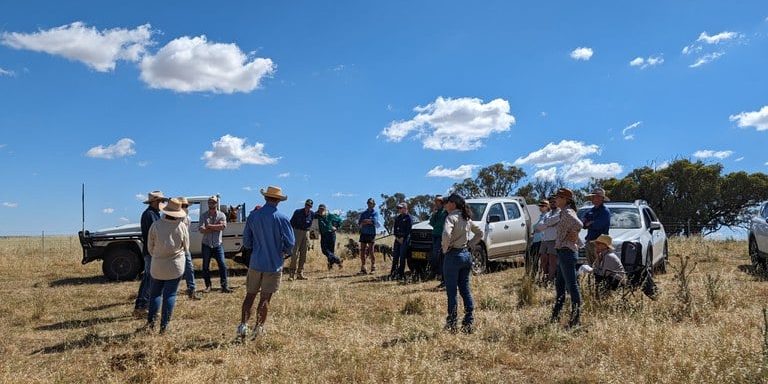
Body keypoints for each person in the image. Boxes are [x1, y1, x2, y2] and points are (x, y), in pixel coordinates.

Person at [238, 186, 295, 339]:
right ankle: (259, 327)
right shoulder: (282, 218)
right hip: (273, 264)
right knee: (265, 298)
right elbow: (290, 242)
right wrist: (283, 253)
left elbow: (247, 242)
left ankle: (243, 326)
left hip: (255, 262)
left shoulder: (253, 216)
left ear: (265, 198)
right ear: (278, 200)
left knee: (249, 296)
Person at [143, 198, 189, 334]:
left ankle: (151, 323)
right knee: (170, 295)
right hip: (175, 266)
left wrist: (158, 255)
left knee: (155, 294)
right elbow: (186, 247)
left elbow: (150, 247)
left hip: (157, 265)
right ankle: (164, 326)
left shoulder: (156, 225)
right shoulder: (181, 227)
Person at [441, 193, 483, 334]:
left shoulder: (451, 218)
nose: (445, 205)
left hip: (453, 256)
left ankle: (452, 323)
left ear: (453, 204)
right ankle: (468, 321)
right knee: (465, 289)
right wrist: (470, 244)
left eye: (447, 202)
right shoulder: (466, 218)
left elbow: (446, 234)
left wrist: (445, 248)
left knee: (452, 291)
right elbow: (480, 233)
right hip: (466, 255)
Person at [550, 188, 584, 329]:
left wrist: (574, 233)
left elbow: (579, 224)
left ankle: (576, 317)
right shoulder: (564, 212)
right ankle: (556, 314)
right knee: (560, 285)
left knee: (571, 286)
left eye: (558, 197)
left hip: (567, 252)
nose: (555, 200)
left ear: (565, 199)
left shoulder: (568, 212)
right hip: (563, 252)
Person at [133, 190, 166, 318]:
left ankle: (143, 306)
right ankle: (141, 306)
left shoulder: (152, 213)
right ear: (155, 202)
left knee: (149, 278)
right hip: (152, 251)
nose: (162, 203)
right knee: (149, 279)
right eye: (161, 201)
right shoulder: (150, 215)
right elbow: (155, 234)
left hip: (152, 251)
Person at [199, 195, 232, 293]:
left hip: (218, 244)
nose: (211, 204)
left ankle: (224, 286)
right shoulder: (203, 215)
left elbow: (223, 227)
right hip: (206, 244)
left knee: (222, 265)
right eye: (210, 202)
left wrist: (209, 226)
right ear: (208, 203)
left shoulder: (221, 215)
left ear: (216, 203)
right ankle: (208, 286)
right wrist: (215, 227)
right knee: (205, 266)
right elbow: (201, 229)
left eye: (213, 202)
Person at [178, 197, 201, 300]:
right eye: (183, 206)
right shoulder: (172, 217)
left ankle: (191, 290)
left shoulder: (188, 218)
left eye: (186, 206)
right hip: (176, 247)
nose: (185, 207)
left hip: (185, 247)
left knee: (189, 268)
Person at [583, 188, 611, 265]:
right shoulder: (590, 211)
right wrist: (589, 223)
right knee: (591, 264)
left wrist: (590, 223)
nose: (593, 199)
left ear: (601, 198)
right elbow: (584, 224)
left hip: (600, 243)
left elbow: (598, 225)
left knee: (599, 265)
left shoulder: (605, 211)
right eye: (593, 197)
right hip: (589, 241)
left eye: (596, 196)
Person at [288, 199, 315, 280]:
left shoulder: (312, 214)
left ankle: (300, 273)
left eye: (309, 205)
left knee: (304, 254)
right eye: (307, 205)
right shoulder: (298, 212)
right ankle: (292, 274)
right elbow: (291, 223)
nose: (308, 206)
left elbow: (313, 226)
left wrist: (313, 238)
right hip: (297, 232)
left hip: (306, 233)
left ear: (311, 206)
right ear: (305, 204)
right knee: (295, 254)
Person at [536, 196, 560, 285]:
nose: (552, 203)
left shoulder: (559, 213)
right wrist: (549, 224)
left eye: (554, 202)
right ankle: (543, 278)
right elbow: (539, 226)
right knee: (543, 261)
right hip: (544, 239)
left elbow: (547, 223)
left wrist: (547, 224)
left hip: (553, 240)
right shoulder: (547, 214)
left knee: (552, 261)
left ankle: (550, 280)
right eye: (551, 202)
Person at [428, 195, 448, 288]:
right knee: (435, 256)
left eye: (438, 202)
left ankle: (442, 276)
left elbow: (441, 224)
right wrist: (434, 213)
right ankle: (438, 274)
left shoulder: (445, 213)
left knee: (440, 257)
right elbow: (432, 223)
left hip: (441, 236)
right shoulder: (437, 213)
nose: (436, 204)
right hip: (435, 235)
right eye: (436, 202)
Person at [316, 204, 343, 269]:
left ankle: (330, 266)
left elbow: (340, 220)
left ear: (325, 209)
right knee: (324, 250)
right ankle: (338, 260)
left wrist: (336, 227)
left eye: (323, 209)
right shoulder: (316, 216)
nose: (321, 210)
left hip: (331, 234)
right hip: (323, 235)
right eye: (320, 209)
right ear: (318, 209)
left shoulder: (330, 215)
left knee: (331, 250)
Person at [390, 202, 413, 281]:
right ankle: (393, 273)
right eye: (398, 208)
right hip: (397, 239)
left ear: (405, 208)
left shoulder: (409, 218)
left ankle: (400, 274)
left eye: (400, 208)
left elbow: (409, 230)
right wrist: (397, 237)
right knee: (395, 257)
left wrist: (403, 238)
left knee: (402, 257)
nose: (399, 209)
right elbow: (395, 229)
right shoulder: (398, 218)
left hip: (405, 240)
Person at [357, 198, 380, 275]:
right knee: (362, 250)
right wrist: (368, 221)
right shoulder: (364, 213)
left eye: (371, 203)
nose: (370, 204)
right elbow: (360, 223)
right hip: (363, 233)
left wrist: (366, 221)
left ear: (374, 204)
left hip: (371, 234)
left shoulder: (375, 213)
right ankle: (363, 267)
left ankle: (373, 267)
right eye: (368, 203)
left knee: (371, 250)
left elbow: (374, 221)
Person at [529, 200, 550, 277]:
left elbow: (544, 226)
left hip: (541, 240)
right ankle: (534, 274)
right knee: (533, 258)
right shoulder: (541, 216)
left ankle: (539, 275)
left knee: (539, 259)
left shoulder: (547, 215)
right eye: (540, 206)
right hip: (536, 240)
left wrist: (537, 228)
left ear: (547, 207)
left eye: (542, 206)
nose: (540, 208)